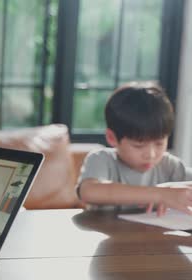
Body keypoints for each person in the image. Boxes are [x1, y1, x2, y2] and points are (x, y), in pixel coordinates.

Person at [77, 81, 192, 215]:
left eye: (159, 143)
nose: (151, 154)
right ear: (112, 138)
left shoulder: (170, 166)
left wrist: (173, 190)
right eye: (139, 145)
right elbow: (89, 191)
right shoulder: (101, 159)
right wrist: (160, 194)